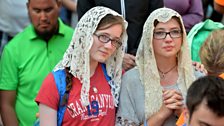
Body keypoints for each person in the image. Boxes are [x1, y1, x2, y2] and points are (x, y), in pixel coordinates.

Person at [35, 6, 127, 125]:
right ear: (86, 34)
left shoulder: (115, 76)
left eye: (115, 41)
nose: (109, 46)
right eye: (103, 36)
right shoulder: (54, 82)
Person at [116, 8, 204, 126]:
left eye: (175, 32)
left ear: (182, 36)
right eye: (160, 33)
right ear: (149, 38)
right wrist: (161, 114)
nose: (168, 39)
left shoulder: (198, 77)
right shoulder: (131, 80)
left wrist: (182, 113)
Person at [0, 0, 74, 125]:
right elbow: (6, 104)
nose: (43, 17)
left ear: (59, 6)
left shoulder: (75, 40)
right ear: (28, 8)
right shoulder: (13, 49)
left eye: (48, 10)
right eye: (37, 11)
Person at [77, 0, 164, 71]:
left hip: (140, 61)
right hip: (102, 62)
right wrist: (117, 57)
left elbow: (155, 22)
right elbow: (85, 27)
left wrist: (138, 54)